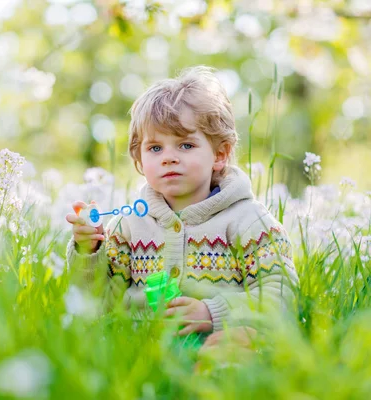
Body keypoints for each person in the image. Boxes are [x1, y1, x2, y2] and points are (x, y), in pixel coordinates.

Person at [65, 66, 299, 337]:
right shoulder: (128, 225)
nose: (168, 157)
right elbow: (97, 302)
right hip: (144, 352)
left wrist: (213, 313)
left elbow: (281, 294)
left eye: (185, 145)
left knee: (242, 343)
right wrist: (87, 250)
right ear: (140, 159)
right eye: (155, 148)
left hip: (220, 339)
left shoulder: (250, 221)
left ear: (220, 154)